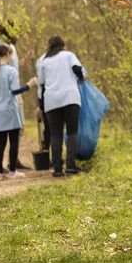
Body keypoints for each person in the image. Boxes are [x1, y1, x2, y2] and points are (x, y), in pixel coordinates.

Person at [0, 44, 38, 180]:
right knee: (14, 140)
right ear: (7, 55)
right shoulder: (11, 71)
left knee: (1, 141)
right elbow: (15, 91)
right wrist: (30, 85)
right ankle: (12, 171)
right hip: (9, 110)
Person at [37, 35, 85, 177]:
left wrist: (41, 105)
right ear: (62, 44)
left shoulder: (45, 62)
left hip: (52, 101)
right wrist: (81, 78)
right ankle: (70, 165)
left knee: (56, 134)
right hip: (70, 98)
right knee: (72, 132)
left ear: (49, 46)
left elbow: (42, 85)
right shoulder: (69, 55)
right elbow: (77, 69)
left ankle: (57, 168)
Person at [0, 22, 31, 171]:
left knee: (19, 129)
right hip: (5, 95)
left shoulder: (11, 48)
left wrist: (26, 58)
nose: (17, 35)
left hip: (15, 90)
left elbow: (15, 67)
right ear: (9, 32)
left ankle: (13, 161)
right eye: (16, 31)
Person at [35, 53, 51, 150]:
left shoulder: (40, 60)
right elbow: (41, 83)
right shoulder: (41, 61)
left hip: (44, 96)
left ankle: (50, 153)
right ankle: (47, 152)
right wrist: (40, 106)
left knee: (49, 127)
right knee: (49, 127)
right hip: (45, 97)